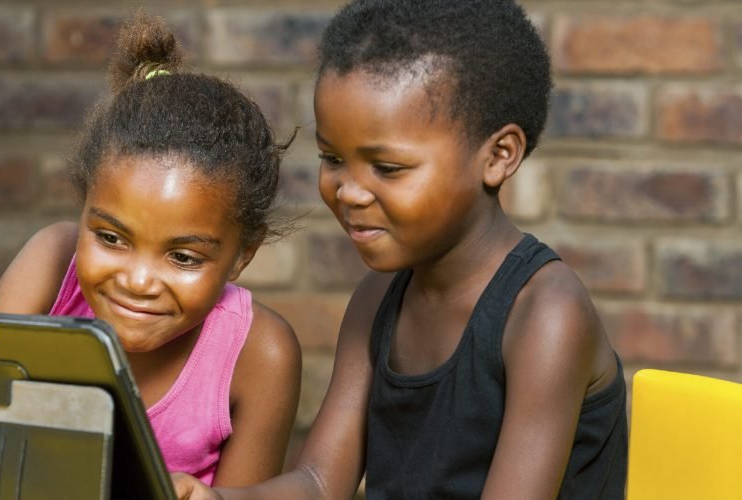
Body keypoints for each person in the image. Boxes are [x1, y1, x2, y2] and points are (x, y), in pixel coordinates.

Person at [175, 0, 628, 498]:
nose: (349, 190)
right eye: (332, 158)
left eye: (387, 168)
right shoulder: (378, 300)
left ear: (498, 156)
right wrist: (214, 497)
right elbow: (321, 481)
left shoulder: (546, 316)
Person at [0, 12, 302, 488]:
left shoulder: (261, 354)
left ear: (242, 256)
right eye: (111, 238)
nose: (137, 281)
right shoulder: (52, 264)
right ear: (85, 207)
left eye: (183, 257)